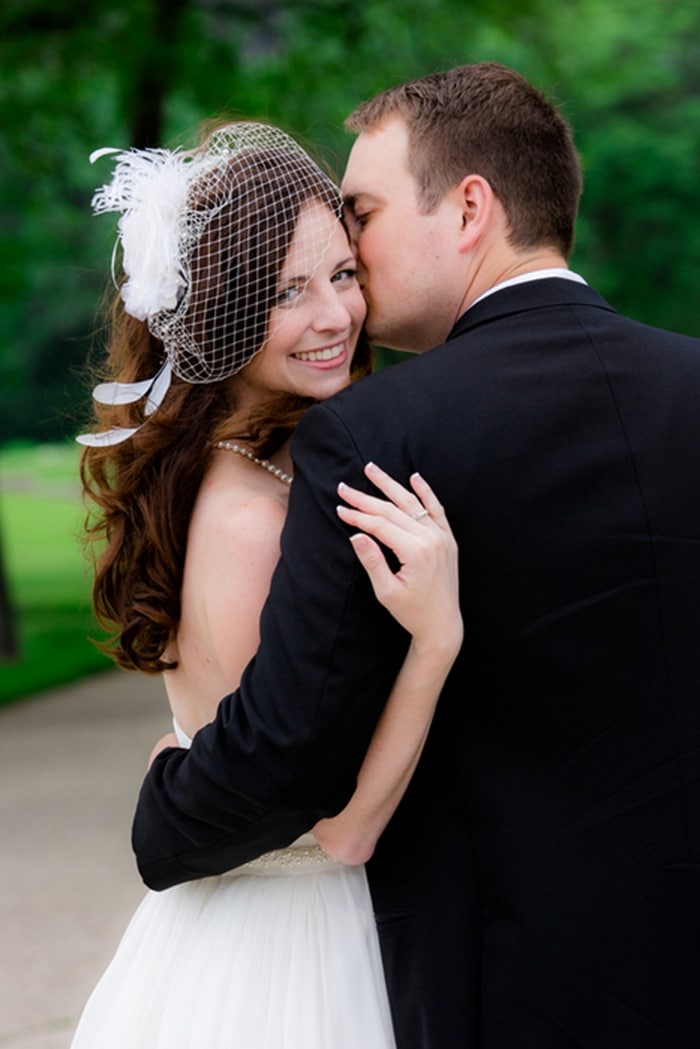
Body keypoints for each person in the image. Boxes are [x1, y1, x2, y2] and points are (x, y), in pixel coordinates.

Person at [132, 63, 700, 1048]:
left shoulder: (376, 430)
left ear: (469, 206)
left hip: (489, 974)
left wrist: (166, 813)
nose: (353, 261)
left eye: (363, 219)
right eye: (294, 285)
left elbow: (286, 749)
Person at [70, 122, 462, 1048]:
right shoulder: (252, 517)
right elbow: (339, 825)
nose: (335, 316)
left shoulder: (260, 468)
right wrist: (436, 636)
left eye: (342, 274)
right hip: (296, 945)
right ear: (221, 316)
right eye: (286, 291)